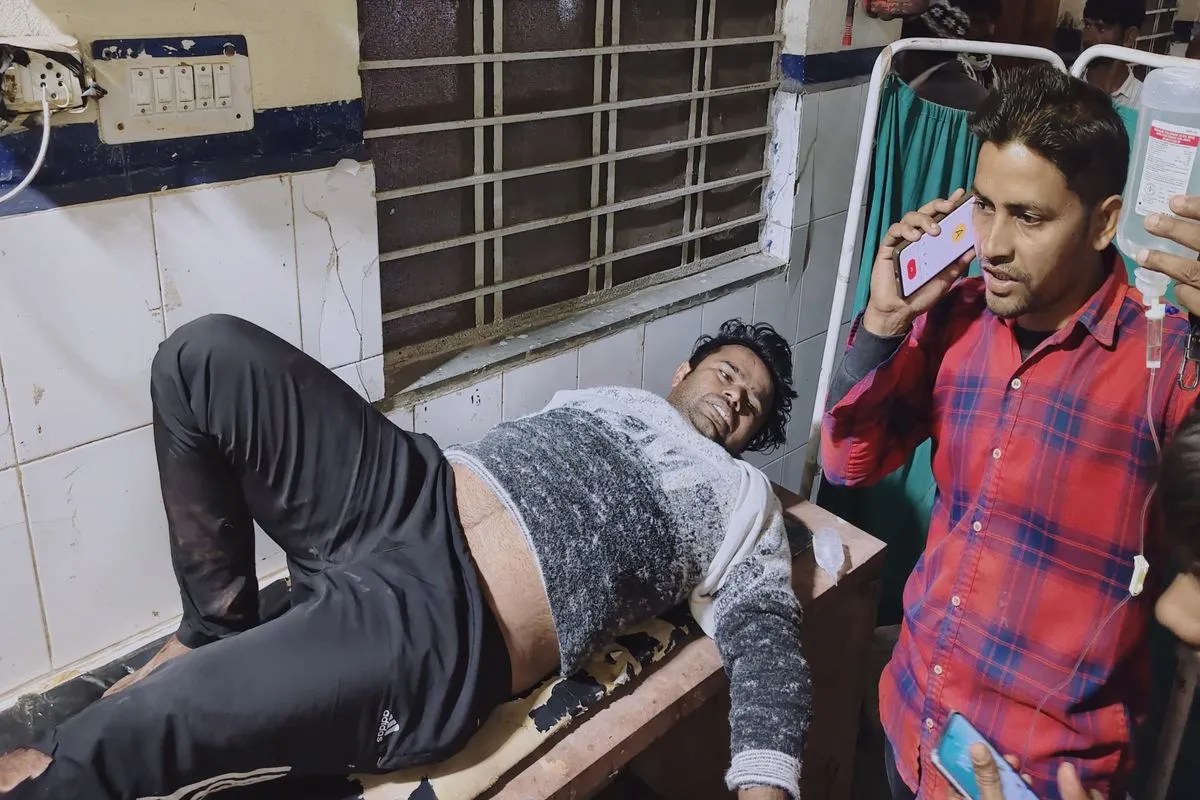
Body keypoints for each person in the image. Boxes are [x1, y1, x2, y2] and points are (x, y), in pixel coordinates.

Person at [0, 315, 807, 800]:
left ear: (750, 438)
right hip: (404, 488)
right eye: (727, 371)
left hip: (440, 624)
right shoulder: (613, 399)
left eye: (753, 405)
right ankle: (215, 621)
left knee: (135, 731)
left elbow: (770, 650)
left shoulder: (742, 498)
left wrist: (764, 786)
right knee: (201, 358)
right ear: (684, 371)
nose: (736, 395)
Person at [821, 65, 1199, 799]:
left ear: (1104, 221)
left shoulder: (1169, 360)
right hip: (913, 720)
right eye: (985, 206)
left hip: (1041, 776)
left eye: (1028, 217)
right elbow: (848, 463)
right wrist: (884, 324)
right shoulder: (956, 315)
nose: (992, 244)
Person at [894, 0, 991, 111]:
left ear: (918, 51)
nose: (899, 59)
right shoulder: (980, 94)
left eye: (903, 51)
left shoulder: (918, 100)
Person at [1080, 0, 1147, 106]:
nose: (1088, 37)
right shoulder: (1065, 85)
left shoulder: (1143, 103)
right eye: (1087, 25)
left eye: (1101, 28)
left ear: (1129, 37)